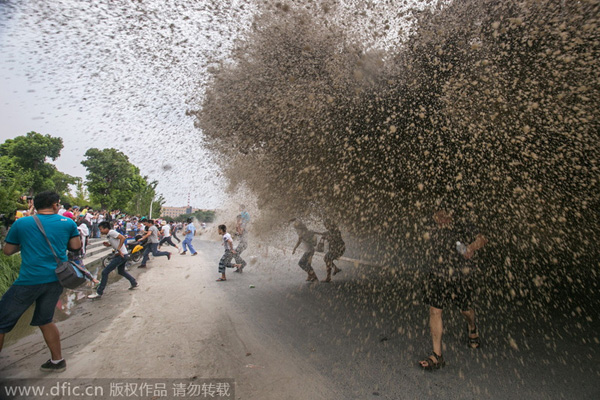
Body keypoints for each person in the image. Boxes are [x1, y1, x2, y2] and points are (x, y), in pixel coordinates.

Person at [0, 191, 82, 372]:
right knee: (45, 320)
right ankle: (57, 361)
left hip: (29, 280)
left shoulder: (22, 223)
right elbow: (76, 247)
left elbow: (7, 250)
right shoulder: (68, 223)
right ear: (54, 205)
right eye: (58, 203)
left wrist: (28, 242)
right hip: (56, 280)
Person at [418, 206, 488, 371]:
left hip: (459, 275)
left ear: (450, 214)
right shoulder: (430, 223)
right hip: (437, 273)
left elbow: (482, 239)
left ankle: (472, 327)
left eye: (444, 216)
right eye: (437, 216)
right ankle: (437, 355)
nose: (440, 219)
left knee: (466, 310)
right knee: (435, 310)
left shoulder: (462, 222)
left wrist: (470, 248)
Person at [88, 222, 138, 299]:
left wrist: (118, 249)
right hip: (123, 254)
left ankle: (99, 292)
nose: (100, 231)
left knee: (105, 272)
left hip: (121, 255)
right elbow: (117, 242)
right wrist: (108, 245)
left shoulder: (111, 232)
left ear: (106, 228)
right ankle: (133, 282)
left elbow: (122, 238)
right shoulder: (109, 235)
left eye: (101, 229)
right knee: (121, 271)